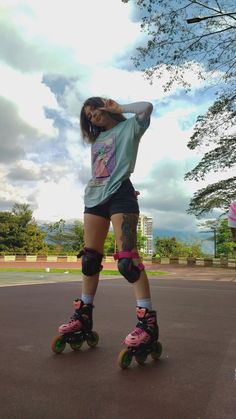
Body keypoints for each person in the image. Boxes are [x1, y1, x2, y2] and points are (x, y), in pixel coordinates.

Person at [58, 97, 159, 348]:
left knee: (127, 262)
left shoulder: (130, 127)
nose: (93, 117)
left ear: (106, 106)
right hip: (95, 198)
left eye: (95, 111)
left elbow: (147, 107)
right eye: (88, 116)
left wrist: (120, 109)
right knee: (89, 259)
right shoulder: (96, 140)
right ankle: (83, 315)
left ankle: (147, 322)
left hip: (120, 195)